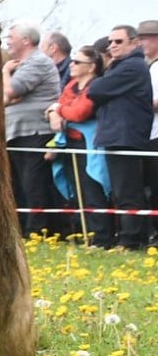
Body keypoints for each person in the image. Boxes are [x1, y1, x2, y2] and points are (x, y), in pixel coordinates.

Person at [86, 22, 156, 251]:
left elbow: (95, 89)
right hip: (117, 135)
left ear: (134, 43)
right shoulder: (120, 66)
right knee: (121, 190)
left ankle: (131, 240)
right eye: (110, 42)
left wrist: (101, 82)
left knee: (128, 191)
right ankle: (131, 237)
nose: (113, 46)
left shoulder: (132, 67)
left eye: (119, 41)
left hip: (125, 136)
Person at [47, 43, 110, 245]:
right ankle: (85, 234)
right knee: (77, 191)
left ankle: (100, 238)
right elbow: (59, 107)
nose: (71, 65)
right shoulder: (71, 85)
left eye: (77, 62)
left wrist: (58, 110)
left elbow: (79, 113)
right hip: (70, 143)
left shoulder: (96, 85)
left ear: (91, 66)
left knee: (92, 190)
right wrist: (55, 112)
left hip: (89, 144)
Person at [2, 21, 59, 236]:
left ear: (26, 40)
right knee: (19, 185)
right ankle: (24, 229)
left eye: (11, 37)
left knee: (33, 184)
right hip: (18, 132)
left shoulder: (38, 62)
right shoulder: (22, 65)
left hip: (35, 133)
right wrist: (8, 95)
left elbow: (10, 92)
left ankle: (38, 231)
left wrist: (5, 72)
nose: (7, 41)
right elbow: (3, 98)